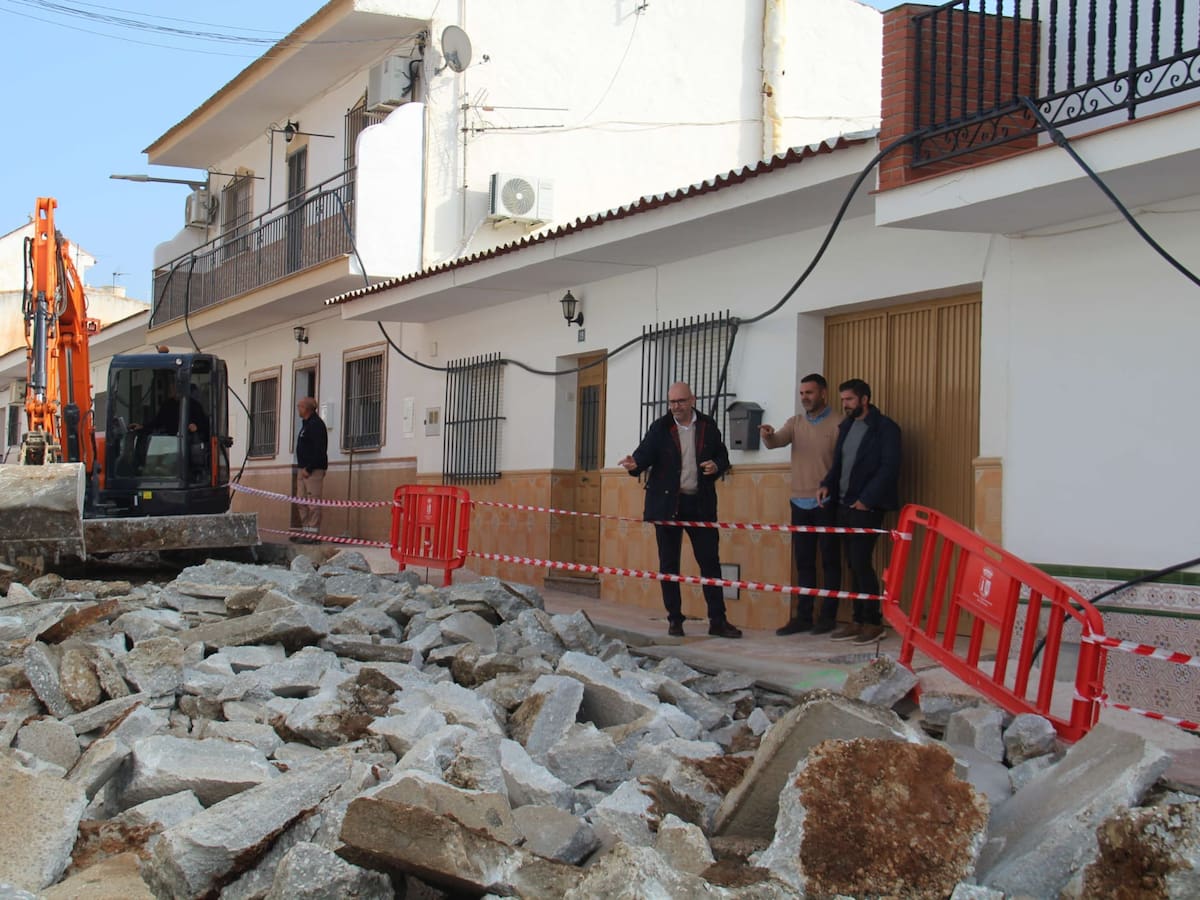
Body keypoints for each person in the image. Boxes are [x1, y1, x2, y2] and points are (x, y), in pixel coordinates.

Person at [620, 381, 742, 639]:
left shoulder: (708, 426)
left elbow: (723, 456)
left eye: (681, 401)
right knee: (669, 565)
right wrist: (634, 465)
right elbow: (643, 456)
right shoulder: (661, 427)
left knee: (710, 563)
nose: (676, 407)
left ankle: (718, 621)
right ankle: (675, 619)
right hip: (667, 505)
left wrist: (716, 465)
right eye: (672, 402)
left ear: (693, 400)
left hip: (700, 504)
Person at [816, 378, 901, 644]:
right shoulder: (847, 426)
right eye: (843, 400)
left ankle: (873, 622)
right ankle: (857, 619)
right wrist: (826, 485)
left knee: (861, 562)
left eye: (850, 399)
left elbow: (889, 468)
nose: (845, 404)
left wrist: (867, 499)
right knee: (851, 563)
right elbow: (838, 464)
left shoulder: (885, 429)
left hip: (867, 507)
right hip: (842, 505)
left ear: (865, 399)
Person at [759, 374, 842, 636]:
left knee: (830, 561)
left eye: (810, 393)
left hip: (827, 503)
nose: (805, 397)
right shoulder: (795, 423)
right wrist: (767, 435)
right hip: (799, 502)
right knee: (803, 562)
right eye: (802, 393)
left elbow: (843, 464)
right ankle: (803, 616)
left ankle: (828, 617)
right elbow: (776, 441)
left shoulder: (839, 423)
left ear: (823, 394)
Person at [295, 397, 328, 543]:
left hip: (313, 470)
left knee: (313, 503)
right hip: (302, 470)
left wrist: (309, 468)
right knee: (301, 501)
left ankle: (313, 535)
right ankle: (306, 532)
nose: (298, 409)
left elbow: (320, 450)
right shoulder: (305, 425)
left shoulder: (316, 425)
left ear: (306, 409)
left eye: (300, 406)